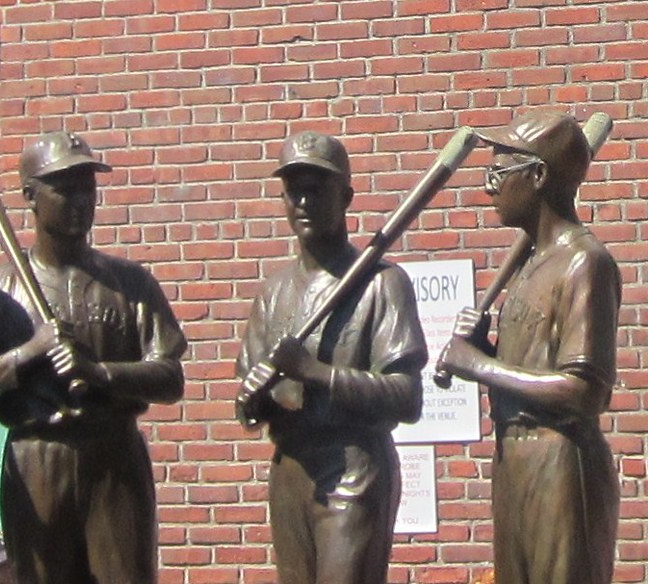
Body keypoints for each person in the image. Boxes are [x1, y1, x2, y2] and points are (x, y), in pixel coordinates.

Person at [0, 130, 187, 584]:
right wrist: (26, 354)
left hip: (113, 457)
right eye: (64, 187)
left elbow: (170, 377)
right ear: (30, 197)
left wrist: (99, 373)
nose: (81, 200)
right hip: (38, 458)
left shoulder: (129, 283)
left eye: (87, 187)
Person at [236, 131, 427, 584]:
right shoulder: (273, 292)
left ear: (346, 196)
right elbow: (248, 403)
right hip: (290, 469)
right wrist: (252, 400)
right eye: (293, 191)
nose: (302, 201)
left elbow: (406, 397)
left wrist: (315, 373)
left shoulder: (382, 284)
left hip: (352, 468)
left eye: (316, 189)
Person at [437, 111, 619, 584]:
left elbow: (584, 392)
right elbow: (530, 370)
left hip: (560, 467)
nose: (489, 187)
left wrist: (477, 365)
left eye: (499, 172)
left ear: (539, 176)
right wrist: (488, 350)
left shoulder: (585, 263)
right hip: (514, 463)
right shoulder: (533, 264)